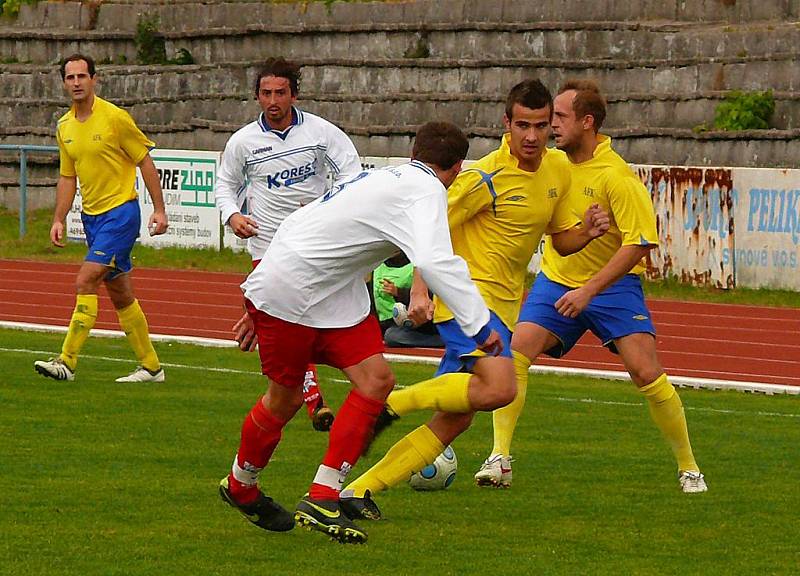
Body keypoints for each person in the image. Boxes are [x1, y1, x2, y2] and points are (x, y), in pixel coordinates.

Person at [218, 122, 503, 544]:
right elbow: (434, 259)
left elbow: (305, 223)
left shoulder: (375, 177)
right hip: (295, 291)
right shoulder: (427, 190)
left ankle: (323, 495)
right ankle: (240, 485)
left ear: (413, 150)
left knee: (377, 381)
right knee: (287, 399)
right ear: (458, 167)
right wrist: (479, 325)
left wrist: (259, 295)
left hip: (322, 290)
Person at [341, 79, 609, 519]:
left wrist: (588, 231)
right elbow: (429, 230)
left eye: (541, 126)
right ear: (506, 123)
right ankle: (393, 404)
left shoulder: (557, 170)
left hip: (505, 306)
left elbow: (559, 240)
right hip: (468, 302)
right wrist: (423, 290)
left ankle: (357, 490)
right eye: (522, 125)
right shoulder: (484, 175)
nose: (531, 136)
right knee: (502, 388)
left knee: (457, 418)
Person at [475, 79, 707, 494]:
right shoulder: (551, 164)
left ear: (587, 122)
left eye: (560, 118)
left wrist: (590, 290)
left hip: (612, 289)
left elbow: (640, 242)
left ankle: (689, 468)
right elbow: (555, 229)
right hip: (556, 280)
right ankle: (499, 457)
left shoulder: (616, 176)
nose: (551, 126)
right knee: (516, 353)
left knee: (645, 372)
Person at [215, 57, 363, 432]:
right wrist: (233, 216)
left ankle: (259, 320)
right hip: (267, 250)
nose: (273, 100)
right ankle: (316, 402)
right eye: (266, 93)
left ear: (294, 94)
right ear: (257, 97)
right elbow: (224, 186)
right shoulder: (243, 142)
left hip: (313, 246)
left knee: (311, 320)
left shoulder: (321, 133)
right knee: (292, 319)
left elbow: (351, 173)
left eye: (281, 92)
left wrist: (330, 208)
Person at [33, 53, 169, 383]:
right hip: (92, 218)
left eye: (82, 76)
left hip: (121, 214)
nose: (77, 82)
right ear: (64, 83)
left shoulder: (115, 118)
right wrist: (58, 218)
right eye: (70, 78)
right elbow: (68, 177)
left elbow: (145, 161)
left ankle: (67, 361)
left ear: (94, 79)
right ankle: (152, 367)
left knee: (85, 279)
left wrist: (160, 209)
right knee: (121, 293)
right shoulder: (64, 127)